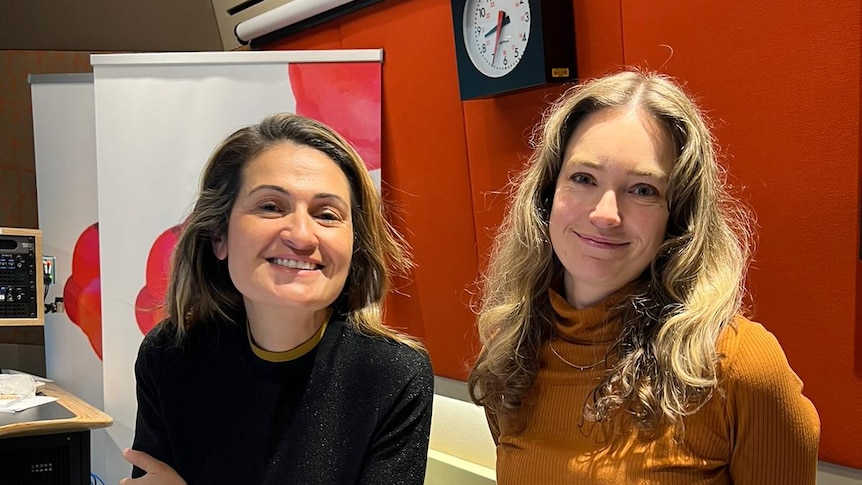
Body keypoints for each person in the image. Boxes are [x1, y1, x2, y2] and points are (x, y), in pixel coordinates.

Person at [468, 70, 820, 484]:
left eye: (643, 190)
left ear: (679, 216)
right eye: (583, 178)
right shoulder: (512, 350)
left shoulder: (739, 367)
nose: (604, 214)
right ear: (547, 196)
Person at [120, 113, 434, 485]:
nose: (302, 236)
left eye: (327, 214)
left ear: (354, 246)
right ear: (219, 237)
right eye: (270, 206)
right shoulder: (170, 356)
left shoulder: (391, 375)